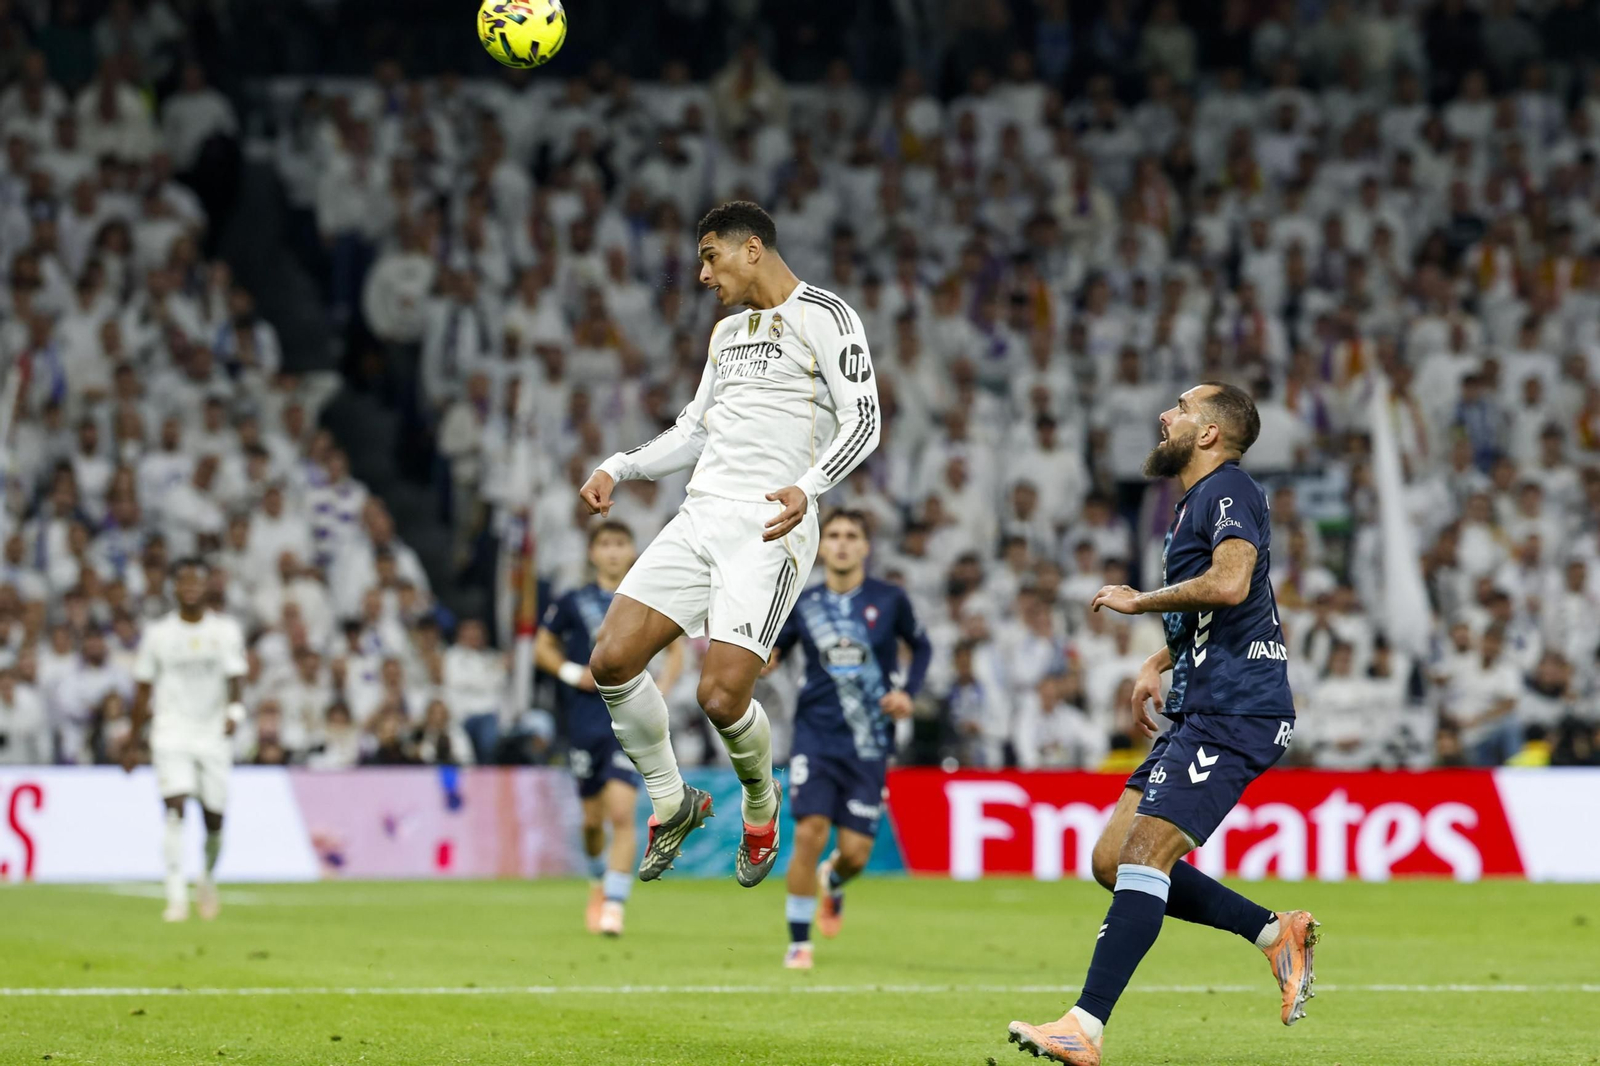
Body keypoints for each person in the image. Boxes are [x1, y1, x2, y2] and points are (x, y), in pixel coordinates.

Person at [1007, 383, 1317, 1064]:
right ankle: (1274, 934)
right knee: (1113, 859)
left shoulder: (1229, 489)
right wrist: (1161, 657)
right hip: (1199, 703)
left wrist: (1140, 602)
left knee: (1146, 855)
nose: (1164, 415)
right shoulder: (1194, 503)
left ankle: (1084, 1026)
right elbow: (1223, 609)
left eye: (1180, 408)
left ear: (1208, 433)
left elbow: (1232, 582)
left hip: (1239, 707)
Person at [580, 201, 881, 887]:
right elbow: (693, 431)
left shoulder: (826, 316)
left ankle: (760, 801)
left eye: (711, 256)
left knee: (720, 698)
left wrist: (809, 487)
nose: (702, 273)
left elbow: (865, 420)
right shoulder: (725, 336)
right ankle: (671, 799)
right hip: (700, 515)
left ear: (752, 249)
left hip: (769, 526)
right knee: (612, 658)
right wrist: (618, 465)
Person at [766, 509, 930, 970]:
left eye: (850, 536)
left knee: (856, 853)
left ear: (864, 547)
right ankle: (799, 942)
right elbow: (778, 645)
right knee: (810, 832)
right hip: (815, 736)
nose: (840, 543)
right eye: (833, 535)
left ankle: (833, 883)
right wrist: (768, 659)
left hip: (869, 740)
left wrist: (907, 693)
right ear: (822, 546)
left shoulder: (889, 599)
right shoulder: (805, 602)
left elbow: (923, 646)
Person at [536, 521, 685, 937]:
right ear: (592, 553)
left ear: (633, 550)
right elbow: (541, 647)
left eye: (621, 543)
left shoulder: (647, 597)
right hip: (584, 717)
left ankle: (615, 905)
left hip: (629, 715)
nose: (614, 551)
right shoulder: (573, 601)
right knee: (591, 821)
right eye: (605, 544)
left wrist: (662, 691)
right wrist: (570, 671)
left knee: (621, 811)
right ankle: (597, 879)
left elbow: (676, 650)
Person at [122, 558, 248, 923]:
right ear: (174, 588)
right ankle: (175, 896)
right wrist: (134, 742)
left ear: (209, 586)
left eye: (197, 580)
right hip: (171, 732)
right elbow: (143, 689)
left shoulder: (224, 631)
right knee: (175, 810)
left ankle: (206, 879)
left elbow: (236, 679)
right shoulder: (159, 634)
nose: (191, 586)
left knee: (214, 819)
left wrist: (235, 713)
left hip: (212, 735)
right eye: (184, 581)